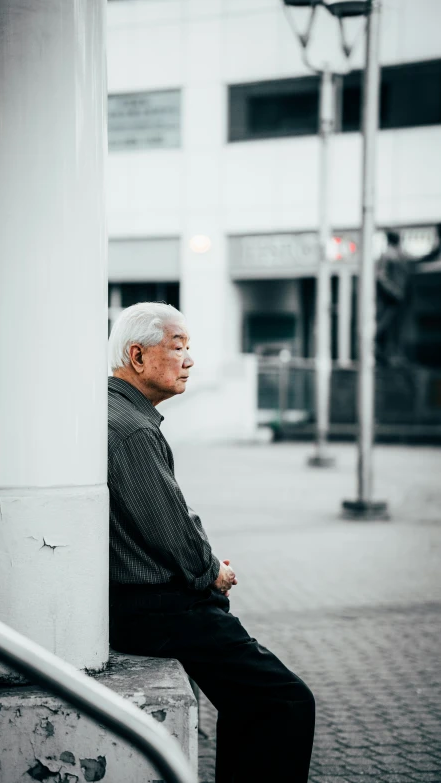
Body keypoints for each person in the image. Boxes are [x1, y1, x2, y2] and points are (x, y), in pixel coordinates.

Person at [107, 302, 315, 783]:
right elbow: (170, 532)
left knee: (257, 701)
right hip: (159, 609)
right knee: (285, 700)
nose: (189, 360)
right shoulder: (132, 429)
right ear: (137, 356)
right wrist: (211, 572)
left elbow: (168, 518)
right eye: (178, 347)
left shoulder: (116, 412)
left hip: (144, 604)